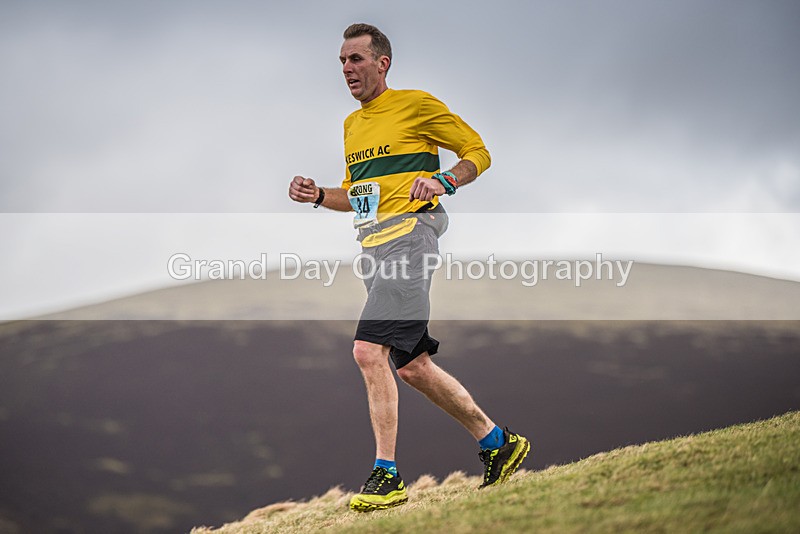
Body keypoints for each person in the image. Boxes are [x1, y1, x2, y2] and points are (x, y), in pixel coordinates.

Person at [288, 23, 529, 512]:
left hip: (411, 242)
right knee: (414, 368)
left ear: (383, 63)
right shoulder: (352, 126)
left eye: (356, 59)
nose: (347, 69)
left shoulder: (416, 104)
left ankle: (387, 475)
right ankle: (497, 442)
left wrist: (443, 180)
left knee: (366, 350)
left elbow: (477, 152)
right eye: (341, 61)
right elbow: (358, 197)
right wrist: (318, 196)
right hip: (374, 251)